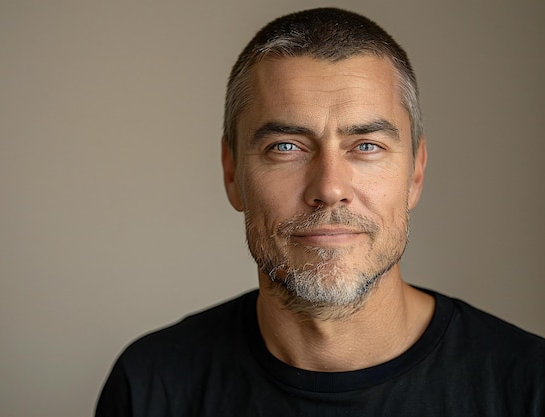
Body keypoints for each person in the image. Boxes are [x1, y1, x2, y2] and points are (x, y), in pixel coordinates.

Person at [95, 8, 544, 416]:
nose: (329, 188)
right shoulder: (151, 386)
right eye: (285, 147)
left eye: (366, 146)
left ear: (415, 173)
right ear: (232, 174)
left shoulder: (529, 385)